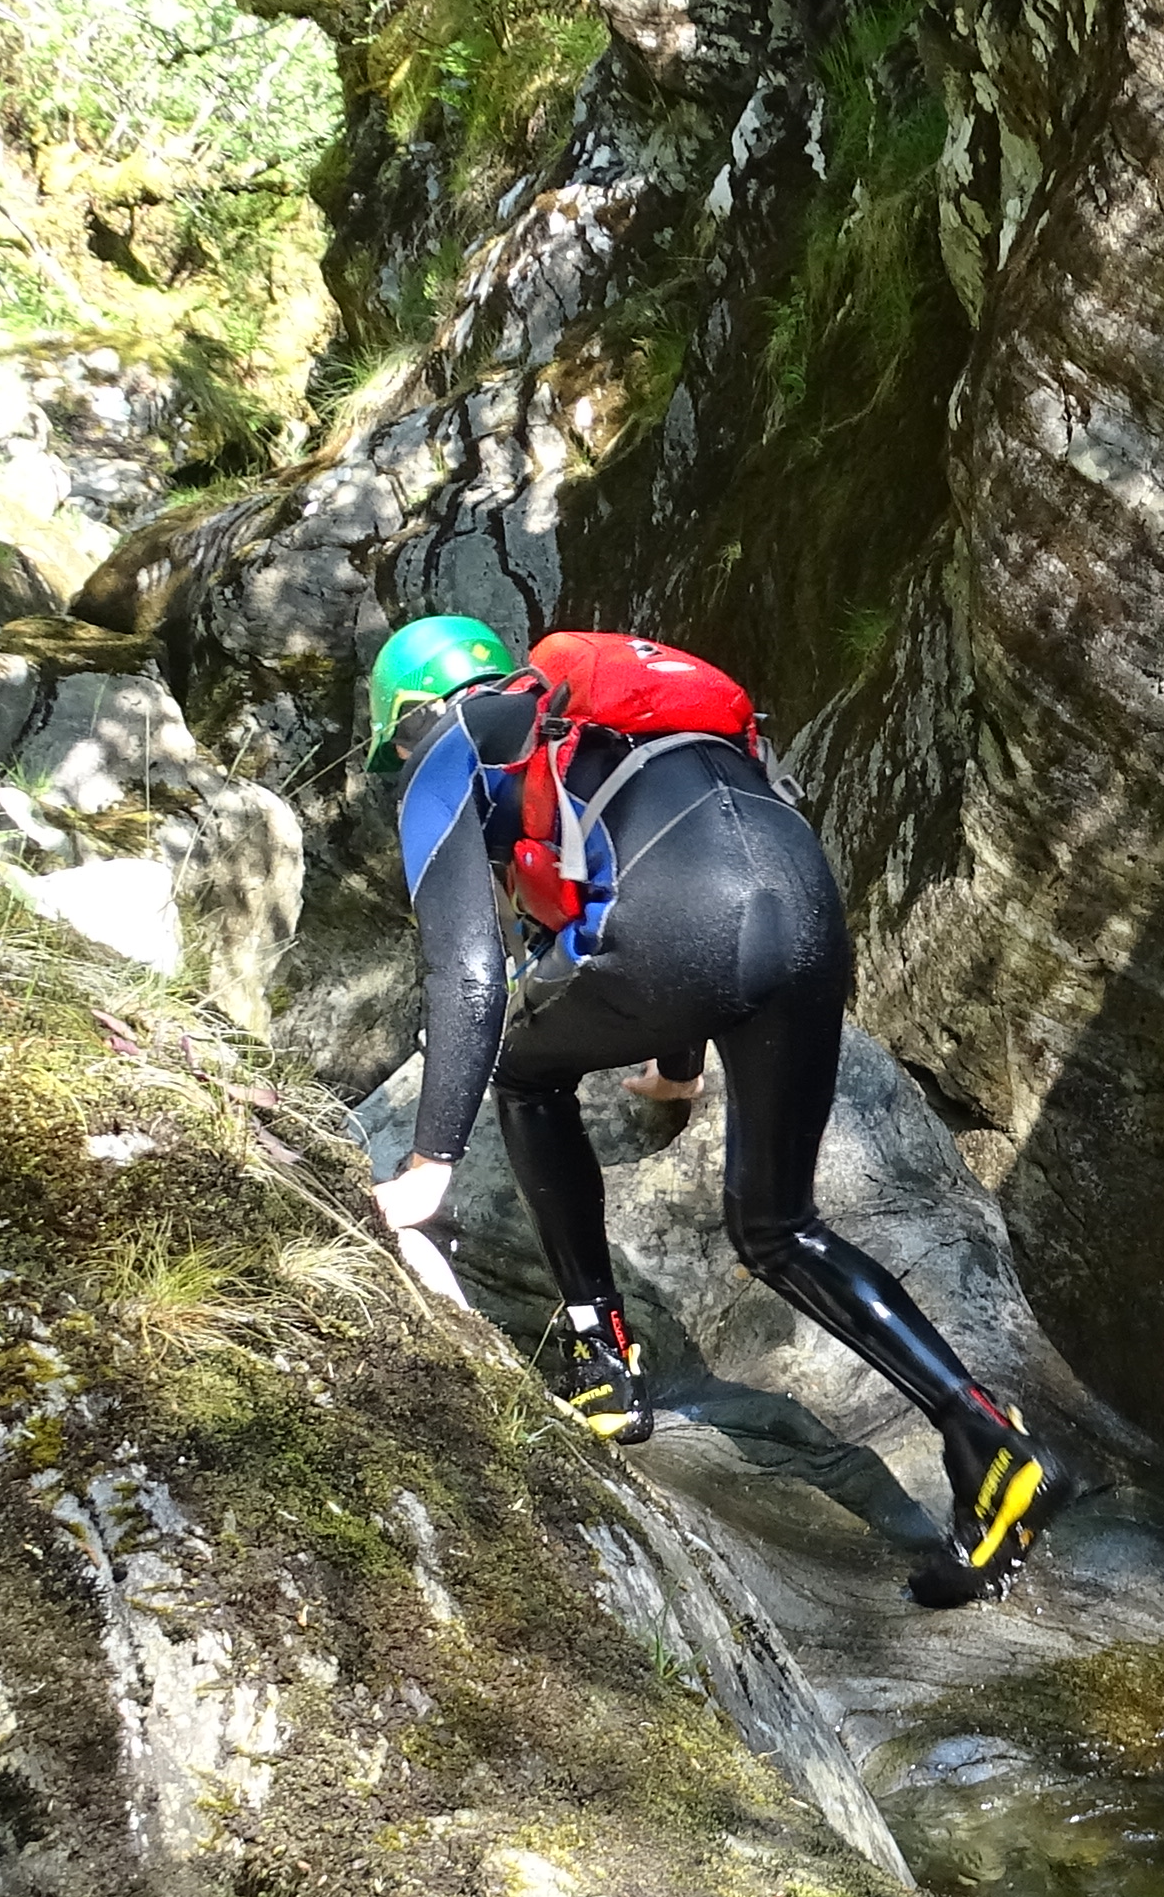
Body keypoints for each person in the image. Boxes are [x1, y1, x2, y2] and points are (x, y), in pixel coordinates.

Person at [358, 613, 1047, 1604]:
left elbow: (464, 967)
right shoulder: (580, 718)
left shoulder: (446, 751)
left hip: (687, 931)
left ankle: (606, 1360)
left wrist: (430, 1168)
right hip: (802, 906)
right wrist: (679, 1070)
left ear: (410, 716)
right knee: (779, 1227)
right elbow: (669, 857)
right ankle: (983, 1435)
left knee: (519, 1068)